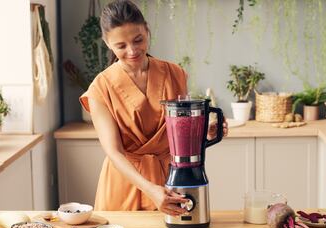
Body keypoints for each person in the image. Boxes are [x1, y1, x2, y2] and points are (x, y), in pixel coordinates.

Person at [80, 0, 228, 216]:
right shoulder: (100, 88)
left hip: (170, 178)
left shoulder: (175, 73)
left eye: (138, 40)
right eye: (121, 46)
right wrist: (150, 189)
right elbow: (114, 151)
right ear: (107, 43)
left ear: (147, 31)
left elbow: (180, 133)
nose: (132, 51)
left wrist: (204, 133)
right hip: (124, 184)